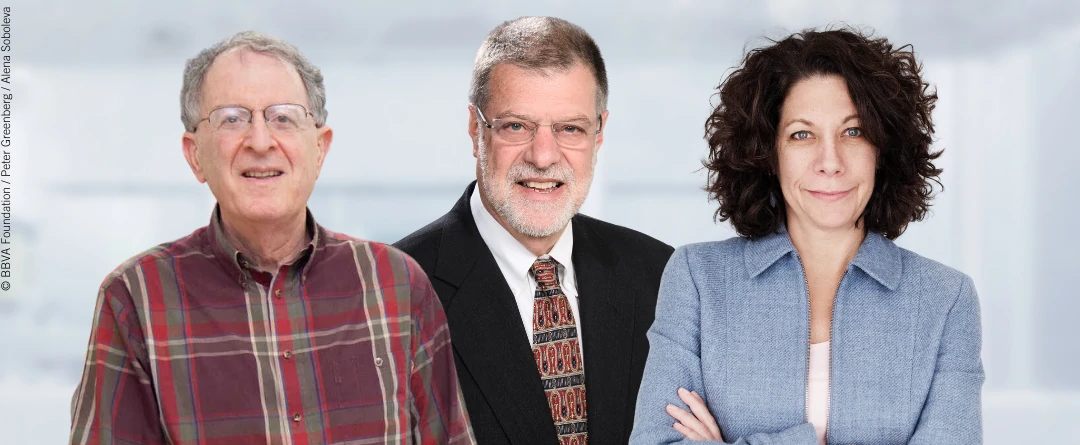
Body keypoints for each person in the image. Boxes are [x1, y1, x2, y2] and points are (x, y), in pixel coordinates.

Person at [70, 31, 473, 445]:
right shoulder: (135, 299)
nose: (260, 142)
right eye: (232, 118)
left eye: (283, 117)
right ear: (195, 155)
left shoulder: (398, 286)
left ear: (319, 149)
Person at [629, 28, 984, 444]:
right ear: (769, 153)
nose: (830, 162)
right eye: (802, 134)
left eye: (853, 131)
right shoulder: (698, 278)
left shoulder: (946, 300)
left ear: (882, 149)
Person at [395, 16, 674, 445]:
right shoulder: (398, 290)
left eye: (570, 128)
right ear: (475, 129)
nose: (544, 157)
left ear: (598, 134)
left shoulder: (661, 275)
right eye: (516, 126)